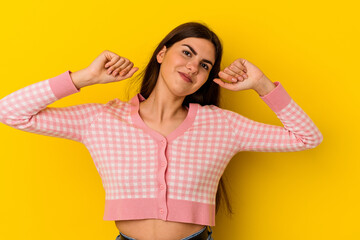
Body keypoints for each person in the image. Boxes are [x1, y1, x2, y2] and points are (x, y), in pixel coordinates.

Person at [0, 22, 323, 240]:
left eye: (205, 65)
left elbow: (307, 137)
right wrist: (82, 78)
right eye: (187, 52)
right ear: (162, 53)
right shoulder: (102, 119)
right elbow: (9, 112)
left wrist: (263, 86)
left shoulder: (222, 125)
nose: (193, 66)